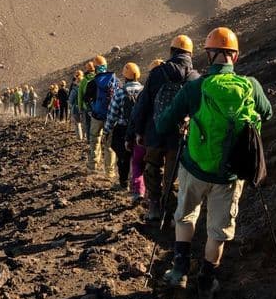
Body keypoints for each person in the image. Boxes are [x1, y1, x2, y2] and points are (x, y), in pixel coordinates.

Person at [155, 27, 273, 299]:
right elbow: (267, 113)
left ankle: (179, 271)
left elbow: (164, 124)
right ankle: (207, 281)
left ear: (209, 55)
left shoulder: (196, 88)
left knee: (185, 216)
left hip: (195, 167)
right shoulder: (251, 86)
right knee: (218, 231)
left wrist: (186, 123)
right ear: (235, 56)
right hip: (231, 175)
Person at [131, 35, 201, 222]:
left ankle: (154, 207)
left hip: (154, 132)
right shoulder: (195, 78)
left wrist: (138, 131)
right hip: (179, 136)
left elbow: (143, 104)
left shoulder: (158, 72)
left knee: (152, 168)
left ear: (172, 52)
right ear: (190, 53)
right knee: (172, 176)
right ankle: (169, 212)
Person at [104, 62, 144, 194]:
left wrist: (107, 130)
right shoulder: (145, 91)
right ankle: (139, 186)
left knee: (123, 158)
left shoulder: (120, 93)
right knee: (139, 159)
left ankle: (123, 183)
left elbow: (112, 114)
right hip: (140, 130)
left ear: (125, 76)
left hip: (122, 129)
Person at [83, 55, 118, 178]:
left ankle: (93, 166)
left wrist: (92, 109)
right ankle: (110, 171)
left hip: (96, 116)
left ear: (96, 68)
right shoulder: (115, 80)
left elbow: (86, 99)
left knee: (95, 140)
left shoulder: (93, 82)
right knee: (109, 145)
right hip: (111, 117)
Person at [77, 61, 96, 148]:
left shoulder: (84, 81)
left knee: (88, 124)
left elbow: (80, 95)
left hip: (86, 106)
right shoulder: (97, 78)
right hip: (96, 106)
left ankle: (89, 140)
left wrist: (80, 107)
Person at [69, 70, 85, 140]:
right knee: (85, 122)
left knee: (77, 123)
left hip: (76, 108)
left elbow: (71, 100)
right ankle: (85, 136)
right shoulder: (85, 85)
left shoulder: (75, 89)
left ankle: (79, 137)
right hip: (85, 107)